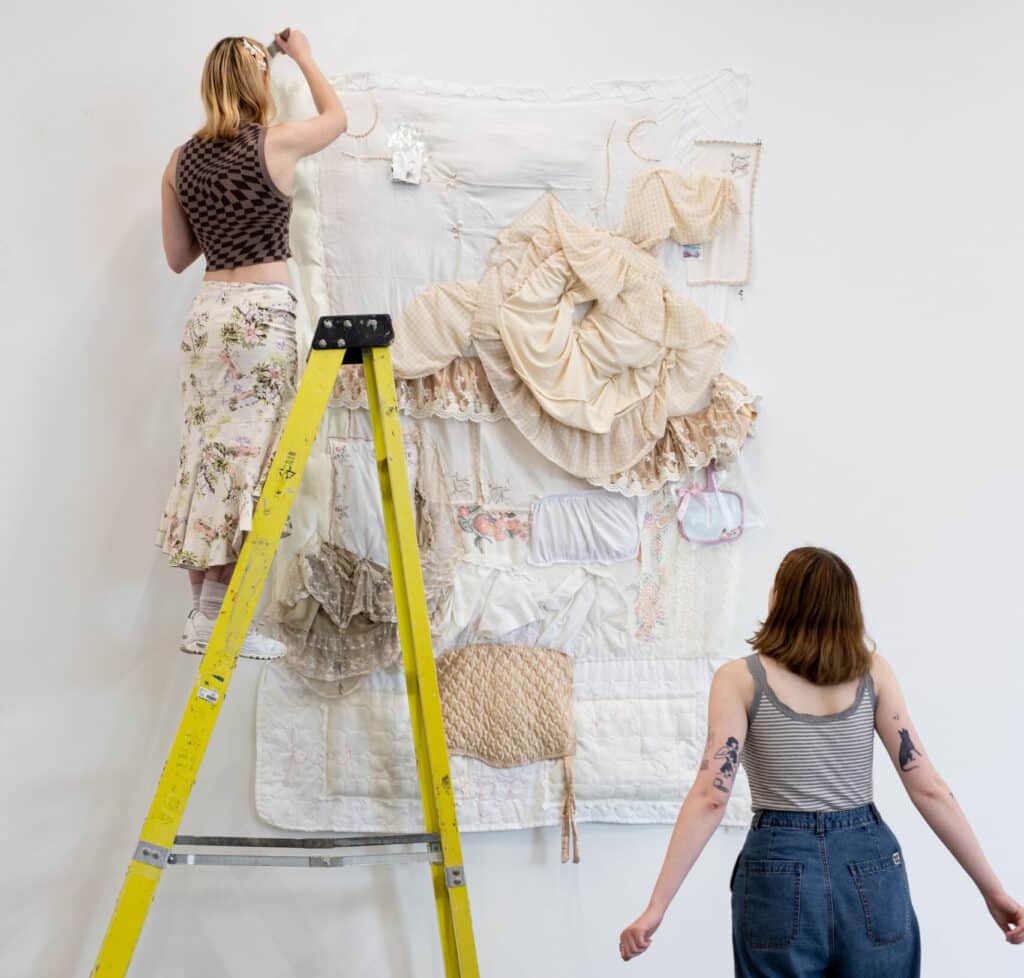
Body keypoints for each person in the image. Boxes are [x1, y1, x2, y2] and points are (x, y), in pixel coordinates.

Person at [618, 546, 1023, 975]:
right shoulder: (874, 673)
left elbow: (710, 798)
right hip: (869, 861)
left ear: (778, 597)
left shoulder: (738, 680)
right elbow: (929, 788)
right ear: (848, 608)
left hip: (777, 864)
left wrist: (656, 906)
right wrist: (992, 889)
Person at [157, 30, 347, 657]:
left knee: (205, 458)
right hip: (261, 320)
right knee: (251, 464)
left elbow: (178, 257)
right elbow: (337, 119)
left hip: (208, 319)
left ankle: (200, 615)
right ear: (256, 83)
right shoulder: (277, 141)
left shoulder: (179, 161)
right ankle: (217, 619)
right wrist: (307, 58)